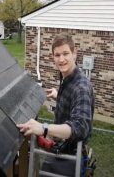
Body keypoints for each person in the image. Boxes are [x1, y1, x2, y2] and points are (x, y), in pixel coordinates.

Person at [17, 33, 94, 176]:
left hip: (71, 157)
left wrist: (43, 128)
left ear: (74, 53)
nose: (61, 59)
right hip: (61, 149)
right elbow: (73, 101)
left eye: (65, 53)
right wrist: (58, 95)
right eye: (57, 55)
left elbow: (80, 127)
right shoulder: (68, 79)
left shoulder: (81, 87)